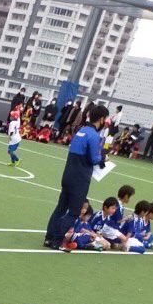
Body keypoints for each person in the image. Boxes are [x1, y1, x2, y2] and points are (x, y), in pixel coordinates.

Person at [43, 102, 108, 249]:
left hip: (68, 174)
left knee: (61, 207)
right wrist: (103, 159)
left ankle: (49, 237)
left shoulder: (81, 131)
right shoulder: (94, 136)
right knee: (74, 211)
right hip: (80, 178)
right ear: (102, 119)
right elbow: (93, 159)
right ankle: (57, 240)